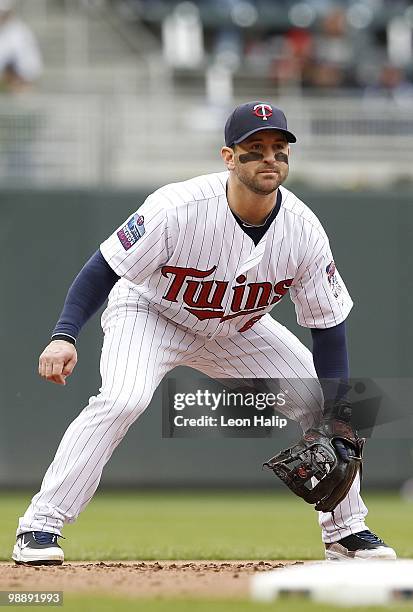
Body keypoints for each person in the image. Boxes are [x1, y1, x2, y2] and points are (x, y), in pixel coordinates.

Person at [12, 101, 396, 565]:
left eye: (279, 148)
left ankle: (346, 532)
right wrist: (64, 334)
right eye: (254, 149)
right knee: (122, 399)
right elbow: (103, 269)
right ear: (228, 157)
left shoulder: (304, 231)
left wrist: (337, 415)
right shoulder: (177, 207)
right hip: (151, 314)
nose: (269, 157)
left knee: (335, 405)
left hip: (239, 330)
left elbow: (328, 326)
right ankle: (40, 525)